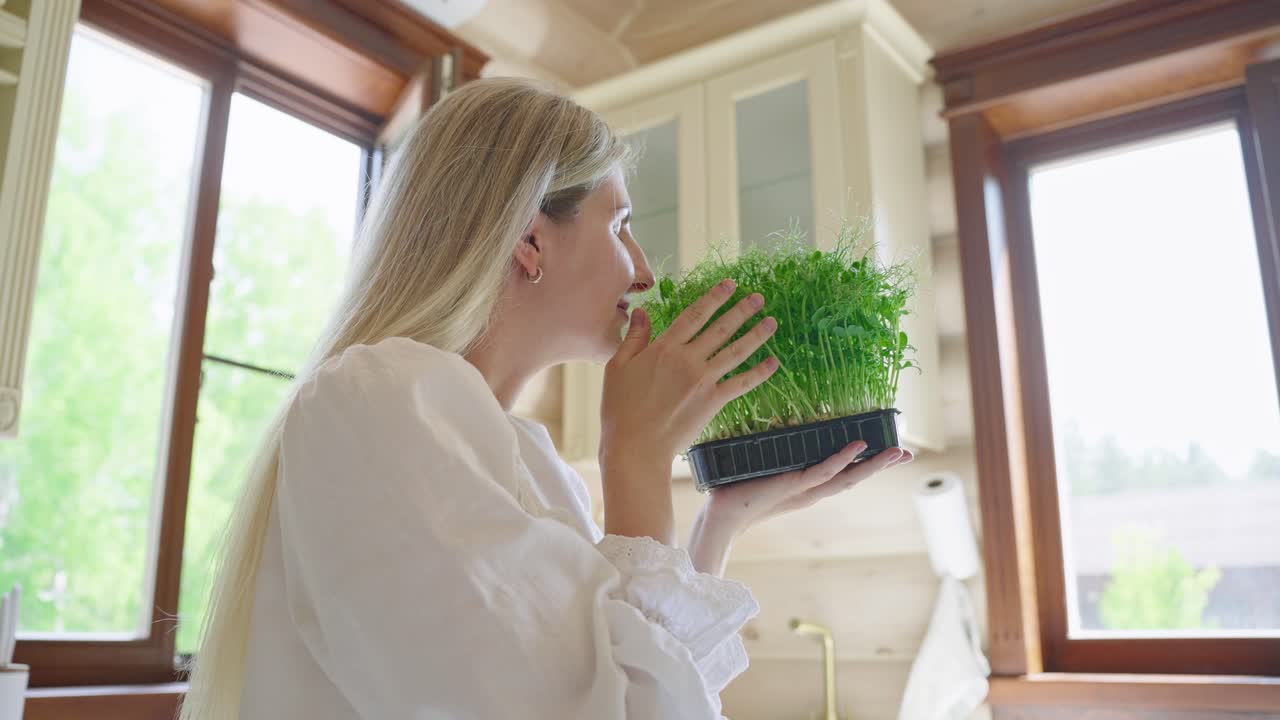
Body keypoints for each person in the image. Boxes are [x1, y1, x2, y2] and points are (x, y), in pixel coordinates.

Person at [179, 77, 913, 720]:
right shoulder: (377, 400)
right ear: (530, 239)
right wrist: (635, 458)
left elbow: (642, 687)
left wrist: (720, 525)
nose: (645, 273)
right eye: (621, 224)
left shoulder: (523, 457)